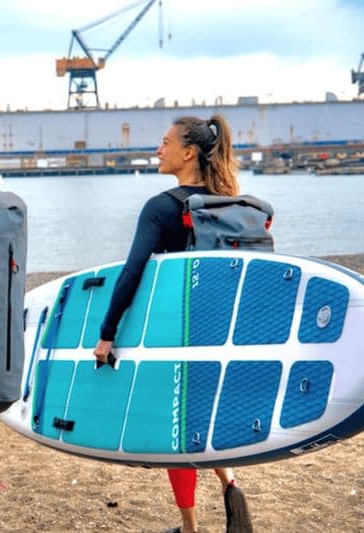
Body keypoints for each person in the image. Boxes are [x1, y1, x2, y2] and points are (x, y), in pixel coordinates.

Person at [92, 115, 254, 533]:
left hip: (175, 336)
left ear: (188, 153)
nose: (157, 150)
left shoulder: (162, 206)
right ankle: (231, 487)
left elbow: (132, 274)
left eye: (165, 143)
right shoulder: (231, 204)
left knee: (177, 430)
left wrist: (106, 335)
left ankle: (190, 528)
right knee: (205, 417)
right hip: (223, 334)